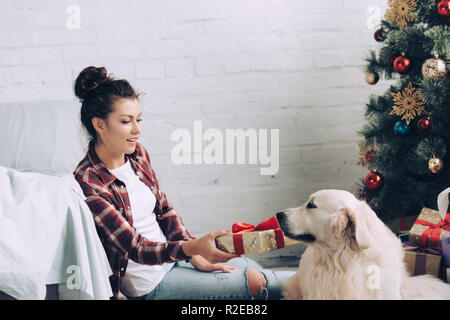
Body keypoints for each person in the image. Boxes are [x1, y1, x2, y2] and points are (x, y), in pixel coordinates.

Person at [72, 66, 294, 300]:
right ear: (99, 125)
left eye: (139, 119)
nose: (137, 130)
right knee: (259, 283)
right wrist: (194, 248)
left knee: (249, 267)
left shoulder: (137, 155)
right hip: (150, 285)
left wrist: (193, 254)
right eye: (126, 121)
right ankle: (333, 285)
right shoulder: (89, 182)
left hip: (174, 258)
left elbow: (165, 211)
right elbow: (135, 248)